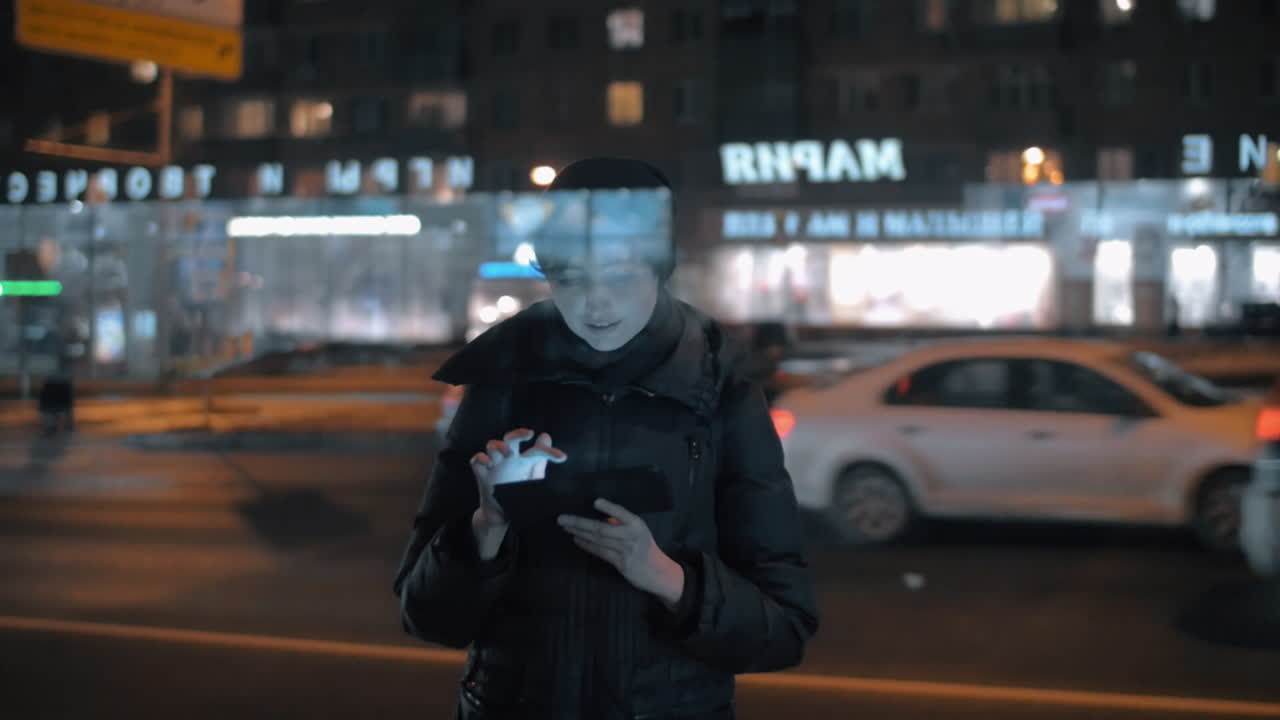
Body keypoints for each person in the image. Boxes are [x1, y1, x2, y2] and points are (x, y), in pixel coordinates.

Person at [393, 157, 819, 719]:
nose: (595, 305)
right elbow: (427, 617)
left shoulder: (720, 399)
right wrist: (485, 527)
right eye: (571, 277)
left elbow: (784, 628)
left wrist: (669, 579)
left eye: (619, 275)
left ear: (659, 269)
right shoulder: (499, 389)